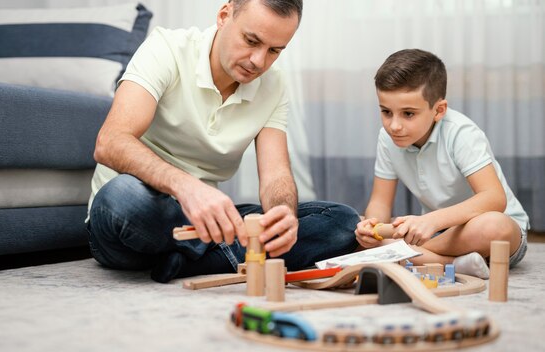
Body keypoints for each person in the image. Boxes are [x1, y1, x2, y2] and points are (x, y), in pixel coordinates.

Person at [87, 0, 359, 283]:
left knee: (341, 222)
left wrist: (282, 216)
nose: (259, 61)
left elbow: (275, 174)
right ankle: (222, 255)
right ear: (224, 15)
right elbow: (110, 141)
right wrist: (187, 188)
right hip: (141, 215)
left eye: (274, 50)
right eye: (251, 40)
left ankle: (188, 262)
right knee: (123, 198)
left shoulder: (274, 84)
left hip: (208, 223)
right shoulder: (167, 48)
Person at [355, 49, 529, 279]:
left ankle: (403, 255)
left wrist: (431, 221)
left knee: (494, 226)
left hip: (487, 232)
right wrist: (372, 226)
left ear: (439, 110)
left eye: (408, 114)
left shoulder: (461, 132)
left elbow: (494, 198)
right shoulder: (387, 138)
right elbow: (379, 202)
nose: (394, 125)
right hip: (438, 235)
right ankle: (453, 263)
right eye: (386, 112)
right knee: (357, 226)